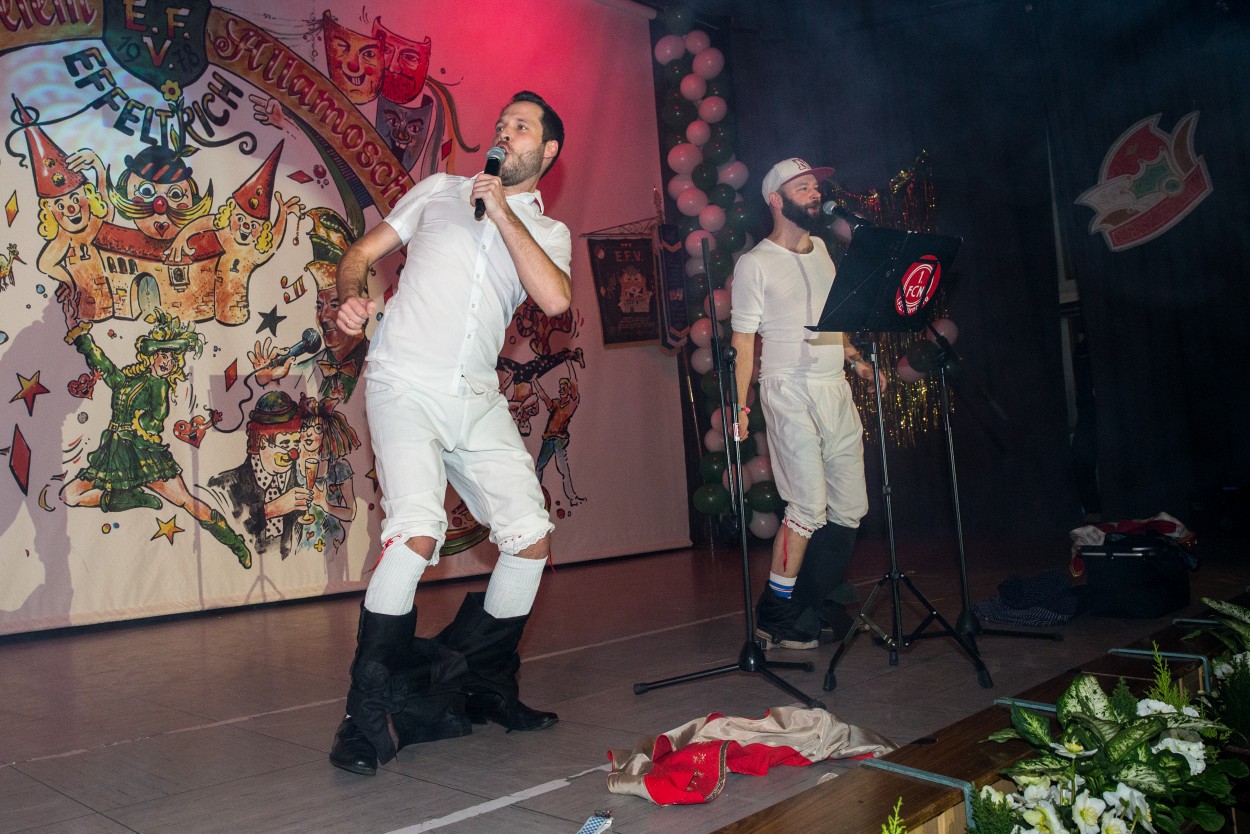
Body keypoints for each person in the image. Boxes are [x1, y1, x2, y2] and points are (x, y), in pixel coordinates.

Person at [328, 91, 571, 776]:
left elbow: (554, 299)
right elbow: (361, 252)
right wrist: (352, 297)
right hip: (403, 380)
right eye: (501, 124)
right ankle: (362, 718)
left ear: (547, 151)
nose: (504, 132)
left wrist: (503, 210)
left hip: (475, 394)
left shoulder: (548, 233)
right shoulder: (439, 191)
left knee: (529, 537)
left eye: (520, 127)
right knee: (416, 531)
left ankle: (484, 683)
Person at [730, 158, 886, 651]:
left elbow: (831, 319)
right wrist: (740, 407)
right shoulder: (755, 264)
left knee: (850, 507)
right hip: (787, 389)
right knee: (807, 506)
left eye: (815, 186)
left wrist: (856, 361)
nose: (815, 193)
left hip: (833, 387)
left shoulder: (822, 251)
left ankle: (811, 602)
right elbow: (743, 343)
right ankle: (775, 615)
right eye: (802, 187)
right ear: (776, 200)